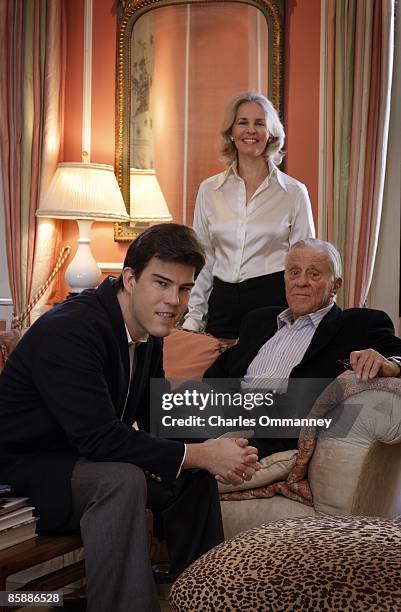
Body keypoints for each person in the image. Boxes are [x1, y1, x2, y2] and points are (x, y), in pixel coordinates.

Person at [0, 223, 260, 612]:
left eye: (185, 289)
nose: (174, 300)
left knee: (193, 478)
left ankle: (205, 600)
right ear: (130, 278)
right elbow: (100, 439)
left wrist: (218, 446)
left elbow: (155, 420)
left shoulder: (148, 332)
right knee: (121, 479)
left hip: (80, 462)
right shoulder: (71, 331)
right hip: (26, 474)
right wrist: (201, 453)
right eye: (161, 283)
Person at [205, 238, 401, 458]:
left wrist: (393, 363)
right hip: (224, 415)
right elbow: (215, 376)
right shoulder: (258, 320)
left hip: (273, 431)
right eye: (294, 273)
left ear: (335, 285)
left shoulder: (359, 324)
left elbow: (397, 353)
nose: (301, 282)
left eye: (314, 274)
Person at [182, 91, 315, 339]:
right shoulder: (209, 190)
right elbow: (204, 259)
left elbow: (304, 263)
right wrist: (194, 317)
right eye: (243, 122)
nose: (250, 130)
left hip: (272, 301)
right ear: (231, 132)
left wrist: (304, 318)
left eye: (259, 123)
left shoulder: (294, 192)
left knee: (265, 377)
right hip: (221, 302)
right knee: (218, 376)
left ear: (271, 133)